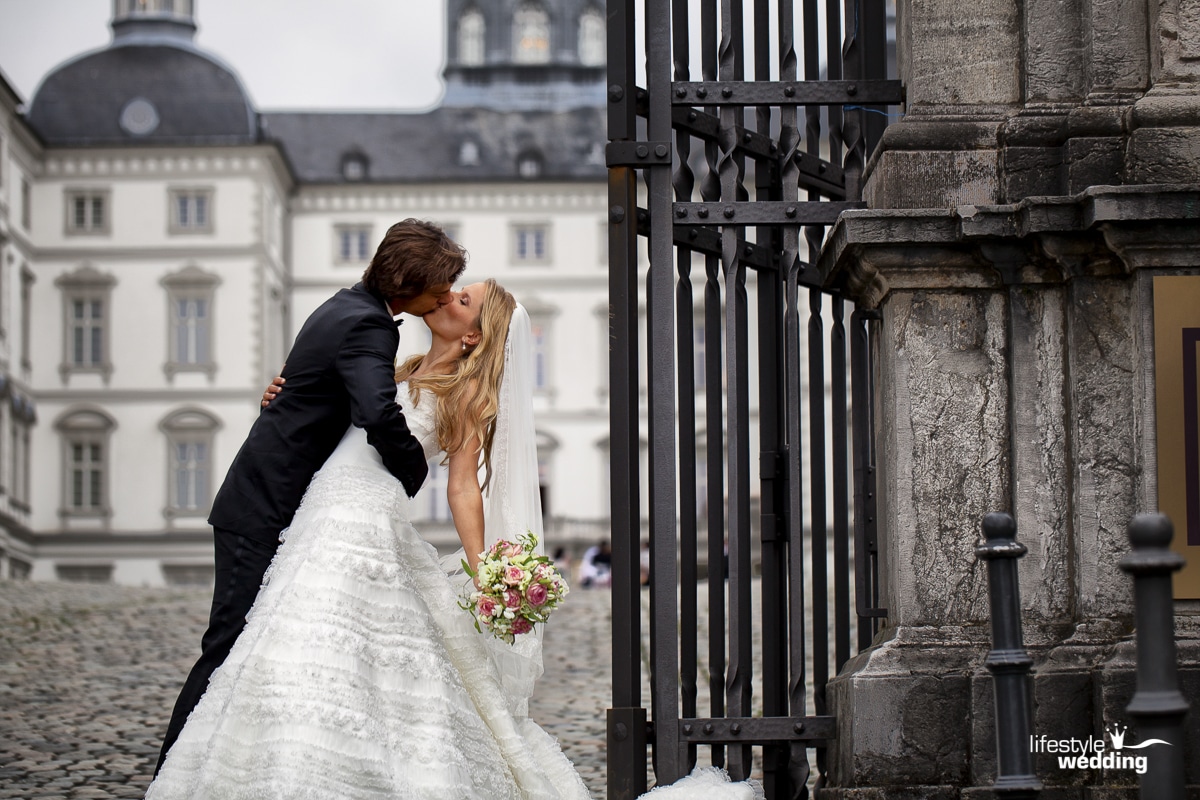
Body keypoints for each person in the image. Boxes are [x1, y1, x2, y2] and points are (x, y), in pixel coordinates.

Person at [146, 279, 592, 799]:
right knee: (291, 638)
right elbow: (333, 418)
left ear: (473, 337)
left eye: (462, 300)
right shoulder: (398, 366)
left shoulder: (466, 392)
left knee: (333, 637)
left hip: (365, 516)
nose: (447, 297)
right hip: (315, 508)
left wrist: (487, 571)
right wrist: (281, 395)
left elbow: (464, 486)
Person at [153, 219, 466, 775]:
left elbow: (321, 395)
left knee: (251, 645)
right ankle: (175, 775)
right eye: (438, 288)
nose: (444, 297)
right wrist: (414, 469)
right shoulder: (372, 326)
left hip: (275, 501)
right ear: (404, 283)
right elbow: (374, 411)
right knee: (227, 647)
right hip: (263, 504)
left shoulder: (341, 306)